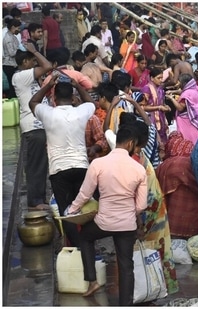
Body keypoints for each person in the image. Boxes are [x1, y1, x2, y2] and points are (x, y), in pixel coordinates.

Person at [65, 125, 147, 305]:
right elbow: (141, 205)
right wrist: (127, 213)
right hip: (127, 225)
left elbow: (85, 194)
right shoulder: (139, 169)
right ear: (131, 144)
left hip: (104, 222)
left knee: (85, 237)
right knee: (126, 266)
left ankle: (92, 280)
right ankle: (126, 304)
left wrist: (71, 211)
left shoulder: (98, 164)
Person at [29, 75, 95, 247]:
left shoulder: (48, 113)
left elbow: (33, 102)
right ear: (72, 98)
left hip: (59, 171)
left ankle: (77, 246)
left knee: (66, 211)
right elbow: (91, 103)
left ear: (54, 99)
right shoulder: (81, 111)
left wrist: (47, 86)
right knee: (83, 209)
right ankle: (86, 245)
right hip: (81, 167)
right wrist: (79, 87)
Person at [132, 119, 179, 295]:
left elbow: (135, 195)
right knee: (157, 250)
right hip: (155, 209)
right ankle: (157, 287)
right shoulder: (140, 155)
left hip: (148, 213)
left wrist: (138, 224)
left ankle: (151, 289)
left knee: (148, 252)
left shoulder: (136, 159)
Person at [12, 44, 53, 211]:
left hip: (39, 125)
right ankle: (35, 201)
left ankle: (39, 199)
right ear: (25, 62)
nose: (36, 64)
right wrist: (36, 51)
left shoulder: (29, 78)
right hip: (32, 127)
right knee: (36, 165)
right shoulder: (21, 76)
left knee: (41, 164)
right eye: (33, 61)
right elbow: (48, 66)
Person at [155, 130, 198, 239]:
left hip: (170, 172)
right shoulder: (189, 144)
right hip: (189, 172)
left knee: (173, 205)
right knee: (191, 203)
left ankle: (172, 234)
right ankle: (191, 235)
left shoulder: (169, 148)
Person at [166, 73, 198, 144]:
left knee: (189, 141)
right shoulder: (196, 89)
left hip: (188, 122)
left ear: (184, 83)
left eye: (179, 82)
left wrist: (171, 98)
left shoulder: (187, 94)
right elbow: (182, 91)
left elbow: (180, 108)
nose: (178, 84)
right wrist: (173, 91)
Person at [141, 67, 171, 144]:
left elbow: (162, 103)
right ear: (152, 78)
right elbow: (142, 107)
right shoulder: (146, 89)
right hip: (150, 118)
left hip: (161, 118)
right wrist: (159, 107)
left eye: (162, 78)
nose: (161, 80)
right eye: (158, 78)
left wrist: (166, 106)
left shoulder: (160, 89)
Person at [3, 18, 21, 98]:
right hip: (9, 65)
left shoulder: (13, 36)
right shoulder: (8, 38)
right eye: (18, 28)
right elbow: (11, 53)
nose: (19, 30)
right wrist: (20, 50)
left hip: (13, 64)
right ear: (13, 27)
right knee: (12, 86)